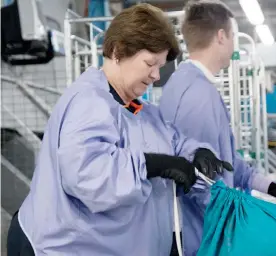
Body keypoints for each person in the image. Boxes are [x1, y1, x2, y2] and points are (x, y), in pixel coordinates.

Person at [6, 4, 231, 256]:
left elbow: (169, 140)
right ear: (117, 51)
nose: (156, 75)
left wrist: (197, 152)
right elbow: (88, 174)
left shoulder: (136, 108)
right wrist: (153, 165)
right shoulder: (89, 101)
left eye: (160, 65)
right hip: (63, 247)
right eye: (150, 63)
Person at [159, 1, 276, 255]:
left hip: (205, 228)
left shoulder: (186, 84)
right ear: (221, 36)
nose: (235, 44)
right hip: (201, 236)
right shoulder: (197, 96)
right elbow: (199, 181)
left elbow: (222, 161)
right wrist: (247, 218)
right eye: (234, 36)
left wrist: (273, 187)